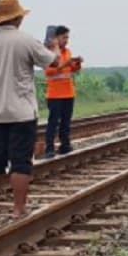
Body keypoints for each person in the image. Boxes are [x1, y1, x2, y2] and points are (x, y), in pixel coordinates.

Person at [0, 0, 71, 219]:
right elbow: (55, 62)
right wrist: (55, 46)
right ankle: (18, 209)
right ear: (17, 17)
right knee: (21, 161)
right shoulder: (26, 41)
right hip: (23, 113)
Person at [44, 25, 83, 158]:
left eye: (67, 37)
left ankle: (65, 145)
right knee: (53, 122)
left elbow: (72, 70)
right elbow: (49, 71)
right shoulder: (49, 53)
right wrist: (65, 64)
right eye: (64, 37)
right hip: (55, 94)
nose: (66, 40)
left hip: (68, 92)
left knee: (66, 122)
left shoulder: (67, 52)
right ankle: (49, 148)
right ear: (56, 38)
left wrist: (77, 63)